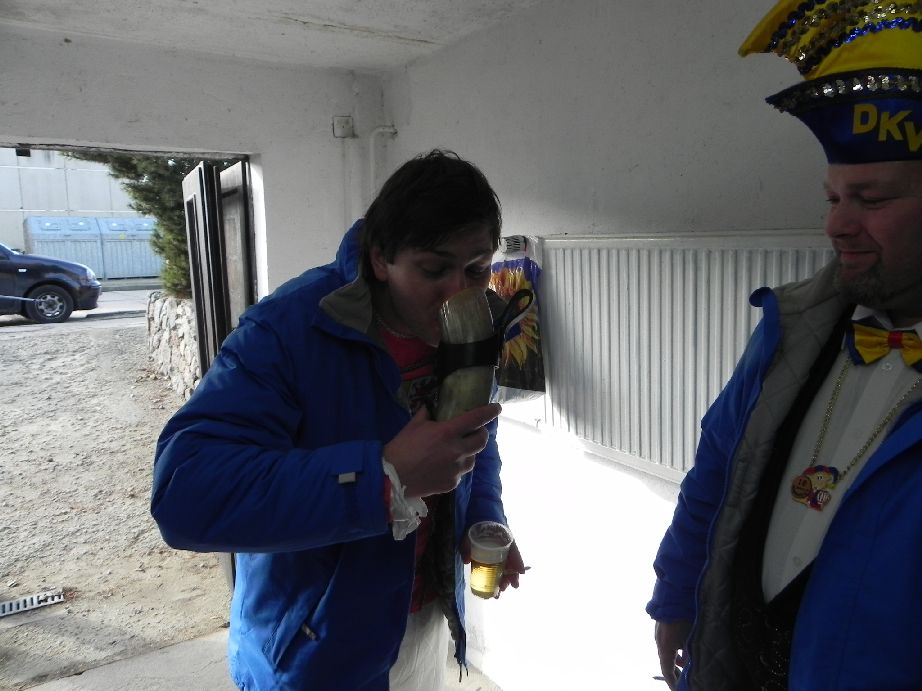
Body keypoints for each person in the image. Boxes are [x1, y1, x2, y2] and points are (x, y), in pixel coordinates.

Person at [151, 149, 526, 690]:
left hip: (422, 620)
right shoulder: (285, 331)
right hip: (314, 647)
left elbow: (474, 438)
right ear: (381, 259)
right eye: (433, 269)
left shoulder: (475, 324)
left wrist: (482, 518)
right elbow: (184, 496)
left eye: (476, 268)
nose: (459, 293)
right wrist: (384, 478)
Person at [646, 2, 922, 690]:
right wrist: (676, 595)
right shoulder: (791, 325)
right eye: (832, 198)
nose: (837, 225)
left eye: (870, 200)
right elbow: (717, 470)